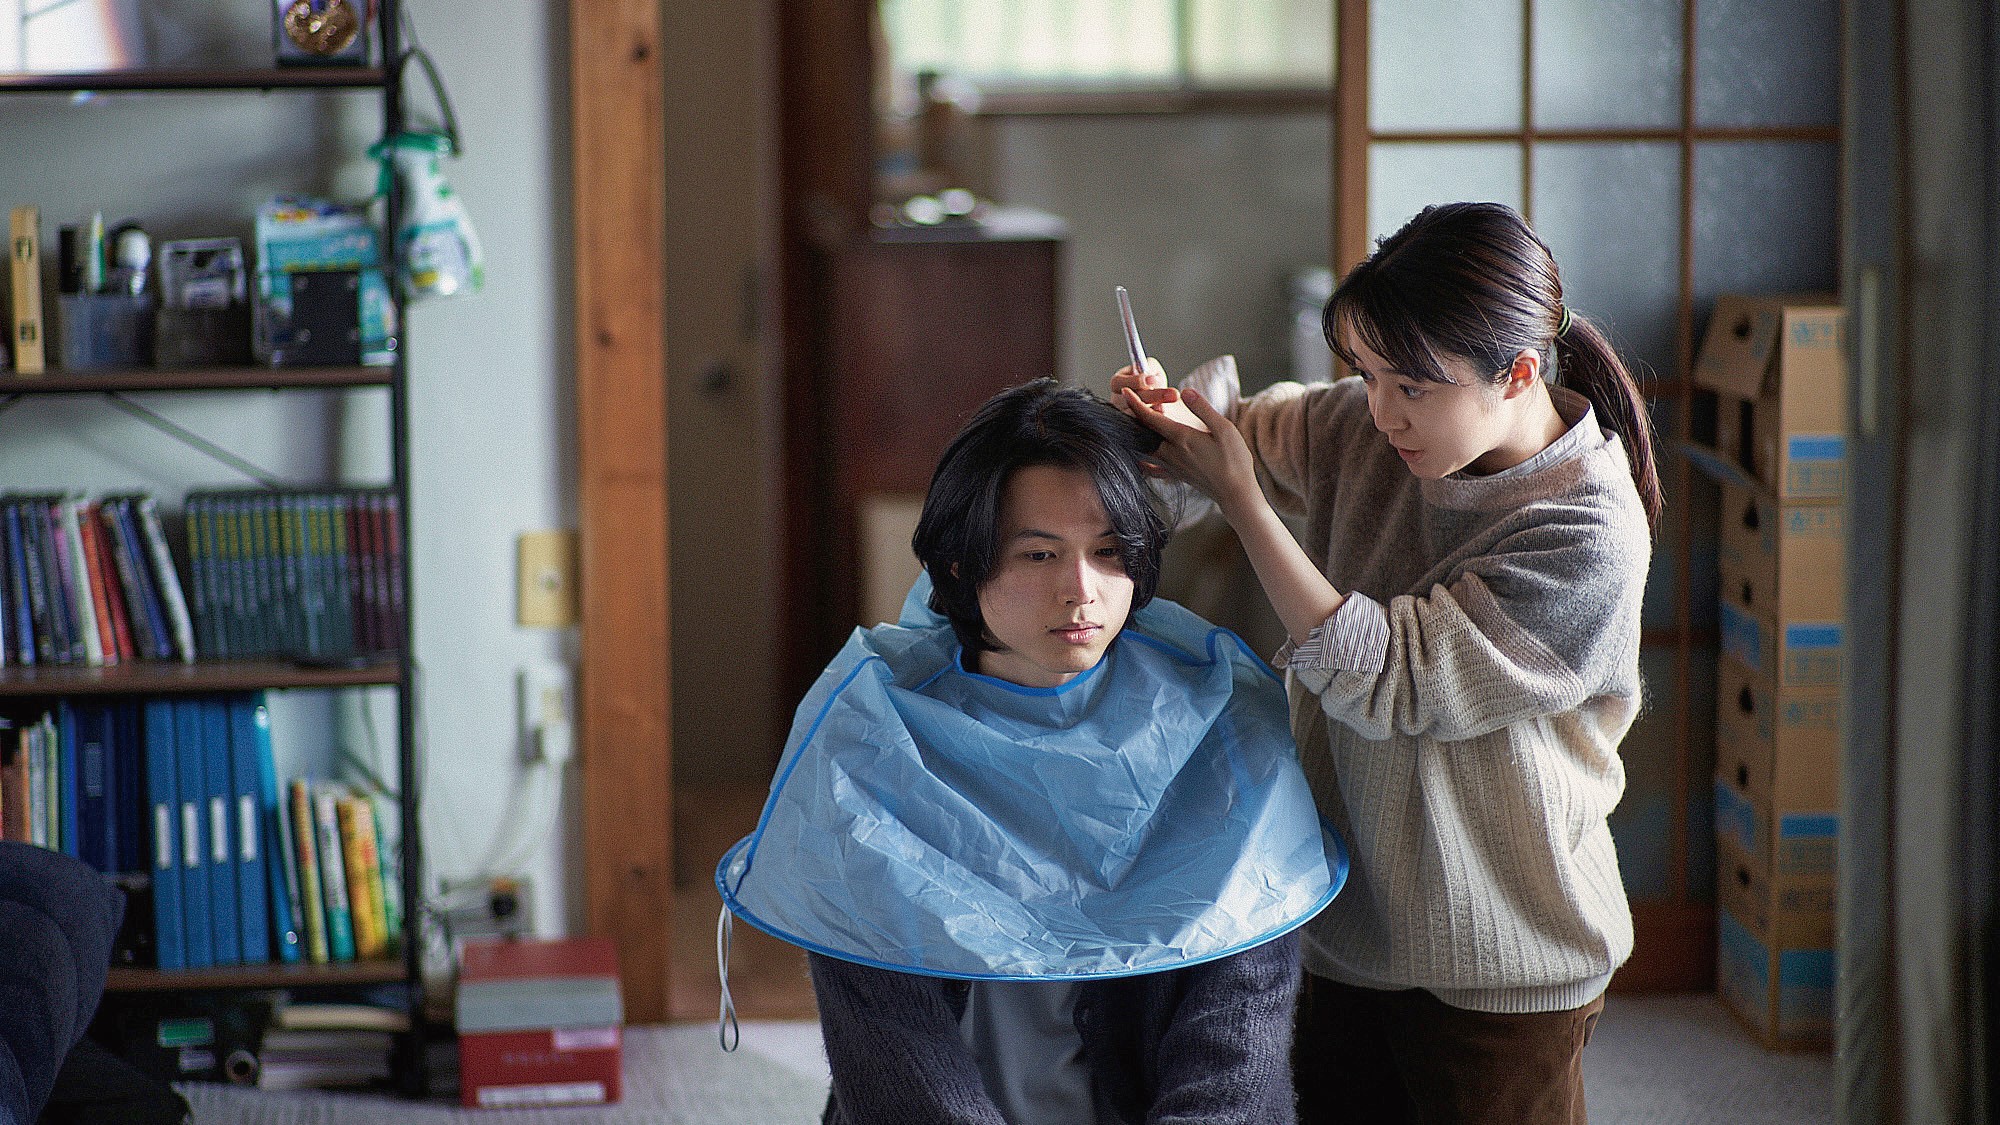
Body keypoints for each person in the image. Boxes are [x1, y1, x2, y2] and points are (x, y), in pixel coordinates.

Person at [1113, 201, 1659, 1124]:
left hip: (1508, 958)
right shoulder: (1366, 429)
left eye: (1410, 385)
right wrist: (1173, 424)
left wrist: (1245, 502)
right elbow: (1247, 433)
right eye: (1364, 373)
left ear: (1518, 371)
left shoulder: (1589, 530)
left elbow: (1389, 678)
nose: (1380, 411)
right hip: (1342, 927)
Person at [716, 379, 1343, 1125]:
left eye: (1109, 552)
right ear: (958, 565)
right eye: (1040, 554)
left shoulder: (1227, 729)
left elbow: (1235, 1054)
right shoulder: (869, 742)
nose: (1081, 590)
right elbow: (897, 1070)